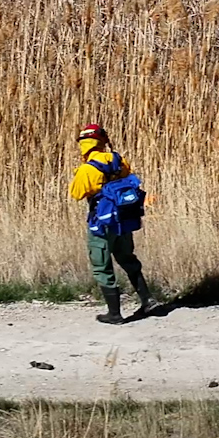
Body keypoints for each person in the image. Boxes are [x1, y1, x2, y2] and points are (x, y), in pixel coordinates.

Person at [68, 123, 153, 324]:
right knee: (128, 259)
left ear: (84, 144)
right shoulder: (118, 160)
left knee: (102, 266)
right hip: (122, 220)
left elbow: (76, 193)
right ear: (102, 141)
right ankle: (148, 300)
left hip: (102, 222)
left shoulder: (87, 169)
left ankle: (114, 314)